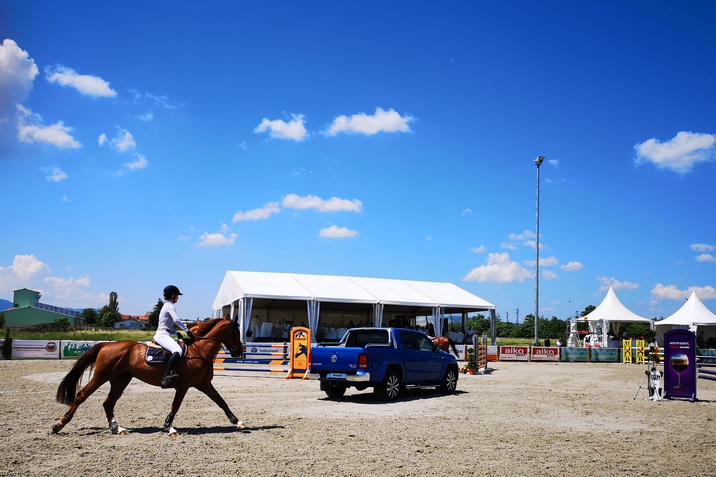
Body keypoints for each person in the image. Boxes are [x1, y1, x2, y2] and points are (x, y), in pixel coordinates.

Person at [154, 285, 193, 387]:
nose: (178, 298)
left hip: (165, 333)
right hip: (162, 335)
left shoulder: (166, 305)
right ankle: (166, 375)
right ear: (172, 295)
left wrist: (177, 334)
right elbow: (176, 320)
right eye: (177, 295)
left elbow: (168, 326)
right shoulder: (170, 306)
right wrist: (187, 331)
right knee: (178, 351)